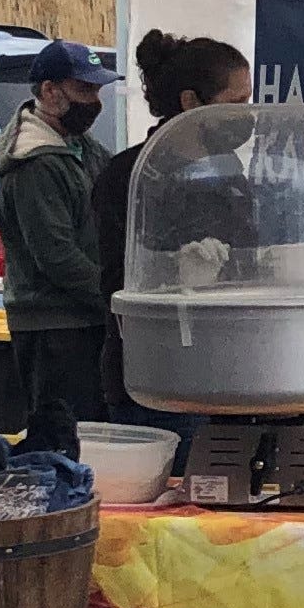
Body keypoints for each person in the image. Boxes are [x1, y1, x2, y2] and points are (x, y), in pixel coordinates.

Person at [91, 30, 251, 426]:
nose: (245, 114)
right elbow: (113, 278)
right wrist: (175, 269)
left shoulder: (230, 170)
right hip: (158, 374)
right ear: (191, 102)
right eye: (234, 103)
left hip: (228, 365)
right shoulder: (131, 175)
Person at [0, 39, 113, 429]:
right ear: (49, 92)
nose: (94, 101)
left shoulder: (81, 148)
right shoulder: (35, 165)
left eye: (97, 90)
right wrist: (114, 299)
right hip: (52, 328)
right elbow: (56, 256)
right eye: (84, 89)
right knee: (69, 437)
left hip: (84, 320)